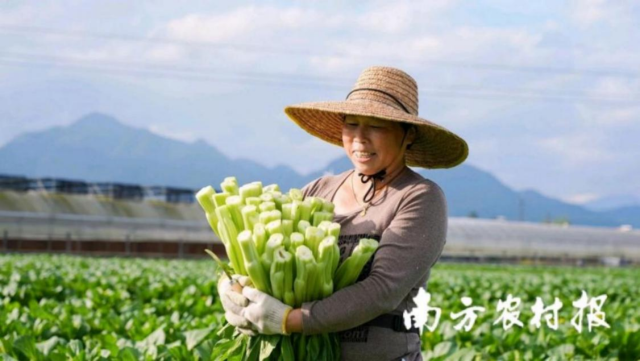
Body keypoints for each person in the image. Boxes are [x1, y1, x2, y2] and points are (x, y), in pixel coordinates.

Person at [217, 66, 469, 360]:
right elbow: (266, 255)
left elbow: (382, 289)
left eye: (376, 125)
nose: (359, 138)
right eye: (351, 124)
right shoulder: (318, 190)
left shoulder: (419, 198)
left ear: (409, 134)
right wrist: (233, 288)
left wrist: (288, 321)